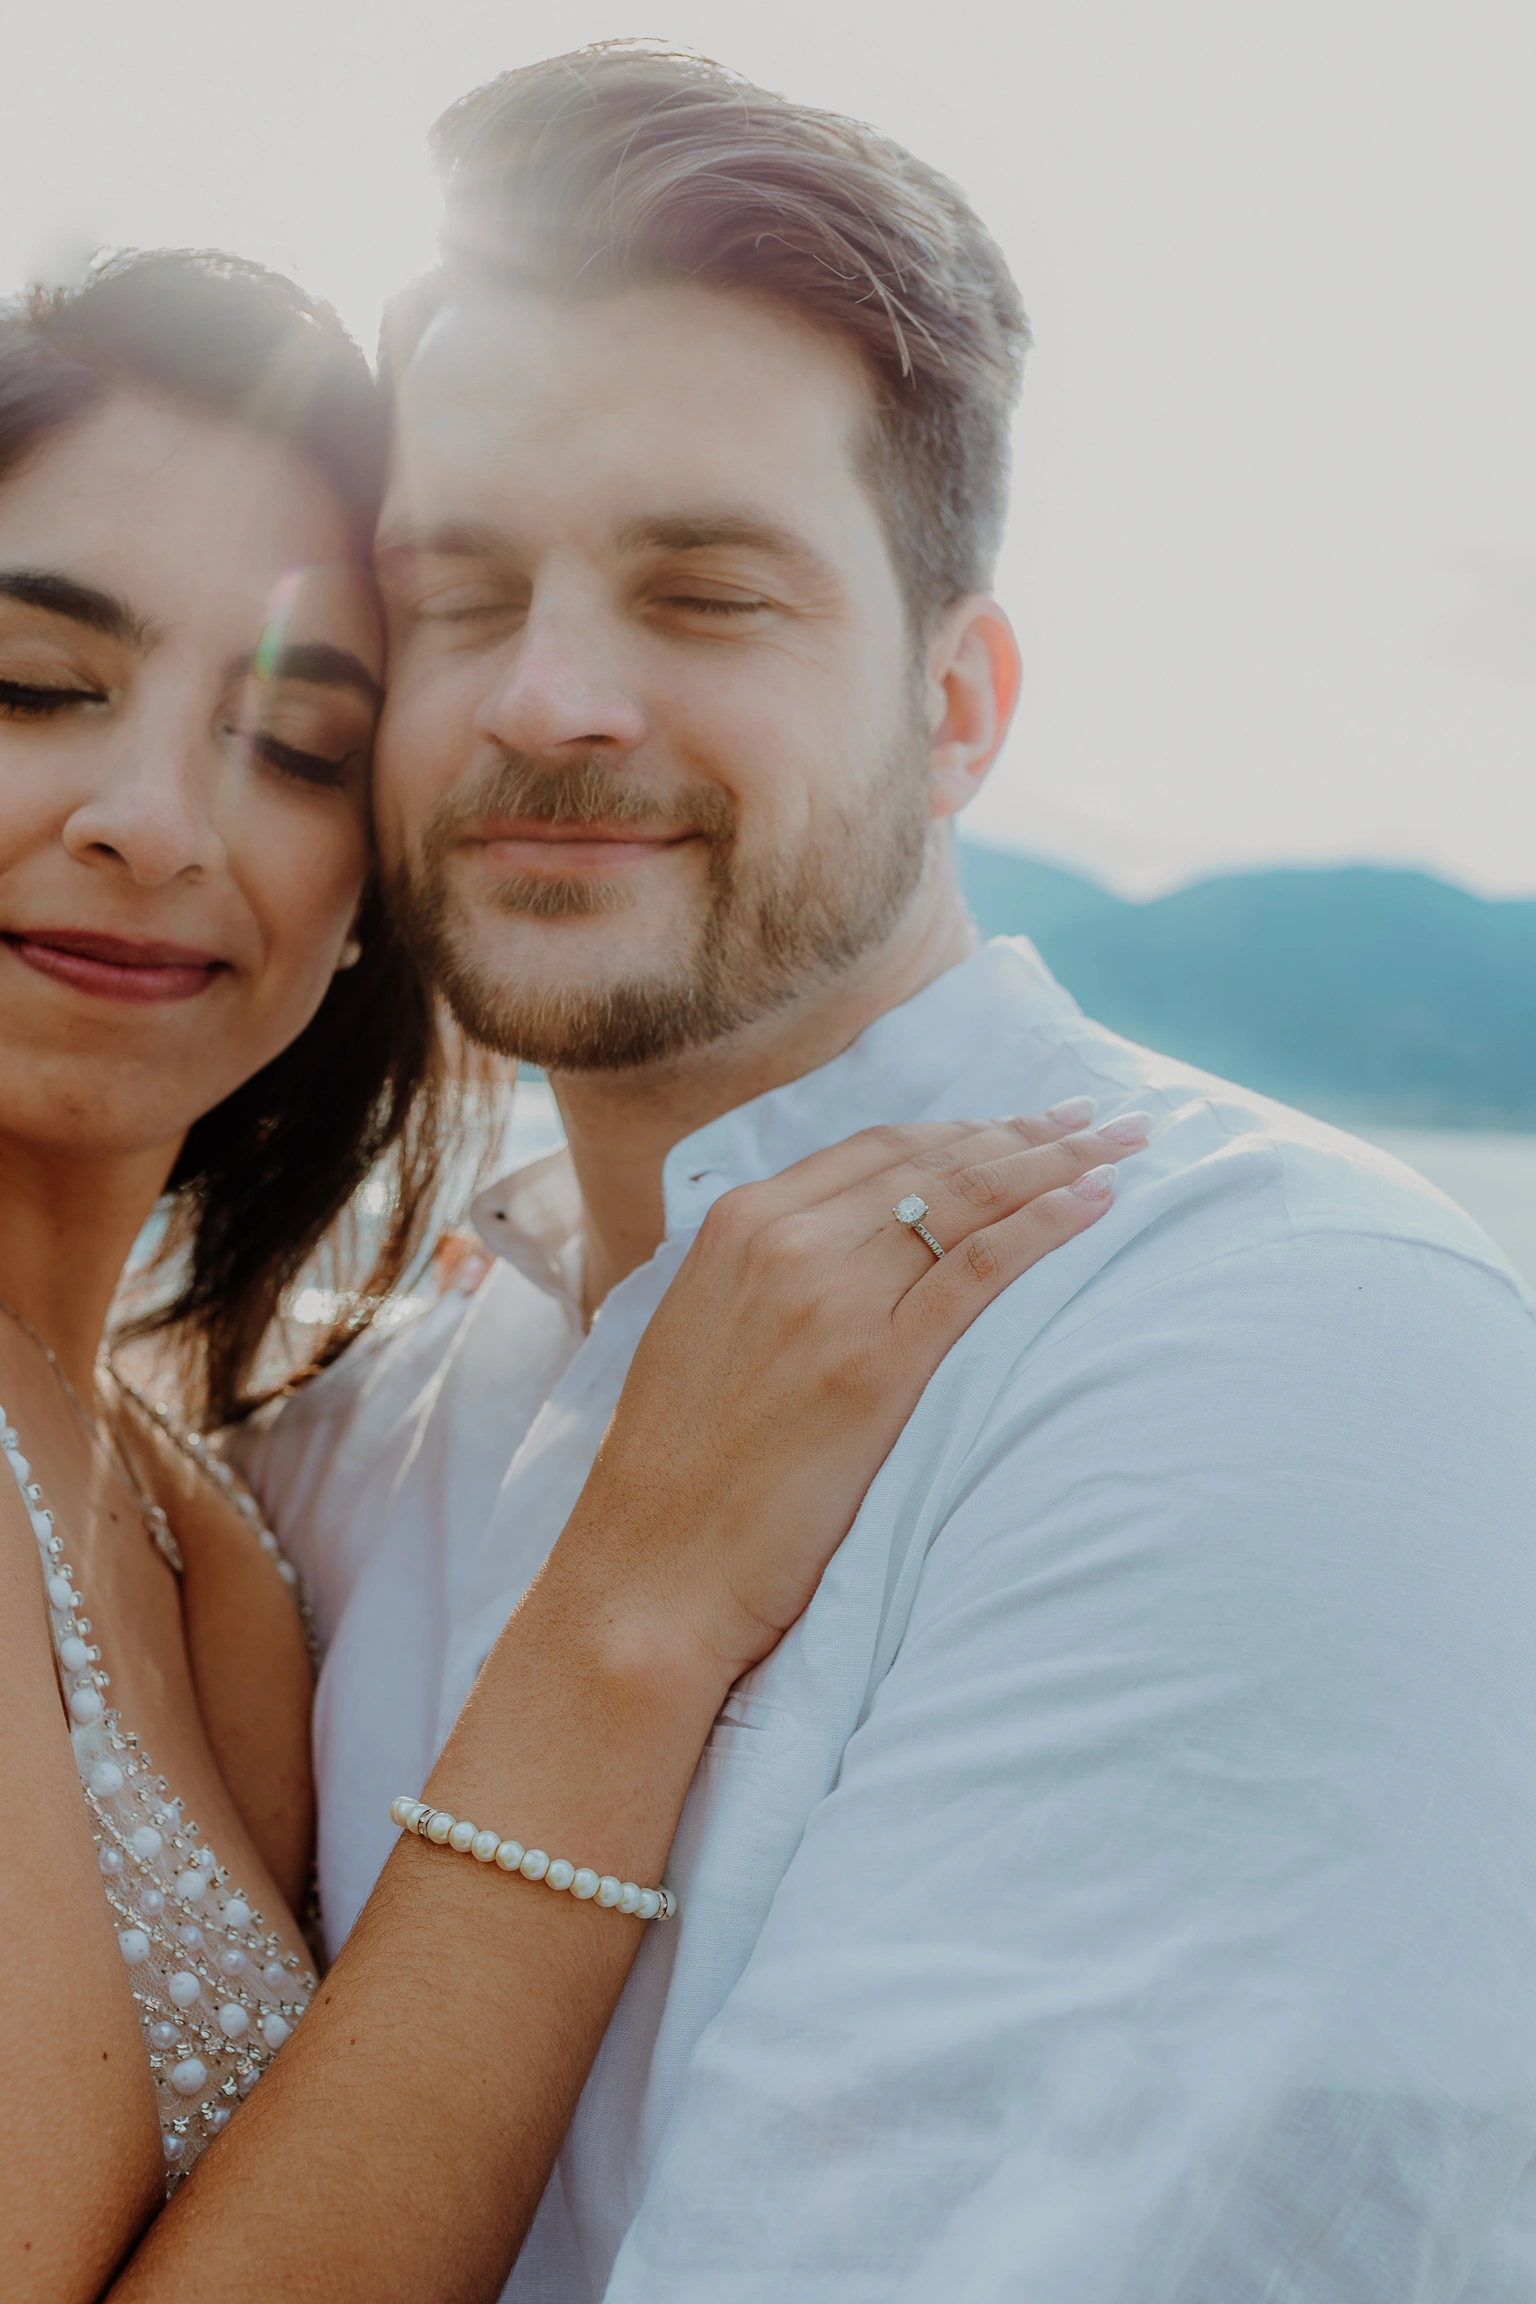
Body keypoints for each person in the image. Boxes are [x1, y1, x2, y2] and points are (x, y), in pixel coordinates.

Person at [236, 43, 1536, 2302]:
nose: (549, 698)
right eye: (460, 594)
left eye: (705, 592)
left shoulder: (1273, 1339)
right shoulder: (361, 1416)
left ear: (960, 707)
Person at [0, 248, 1131, 2302]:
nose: (156, 824)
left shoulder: (219, 1542)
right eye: (28, 687)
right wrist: (633, 1604)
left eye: (297, 741)